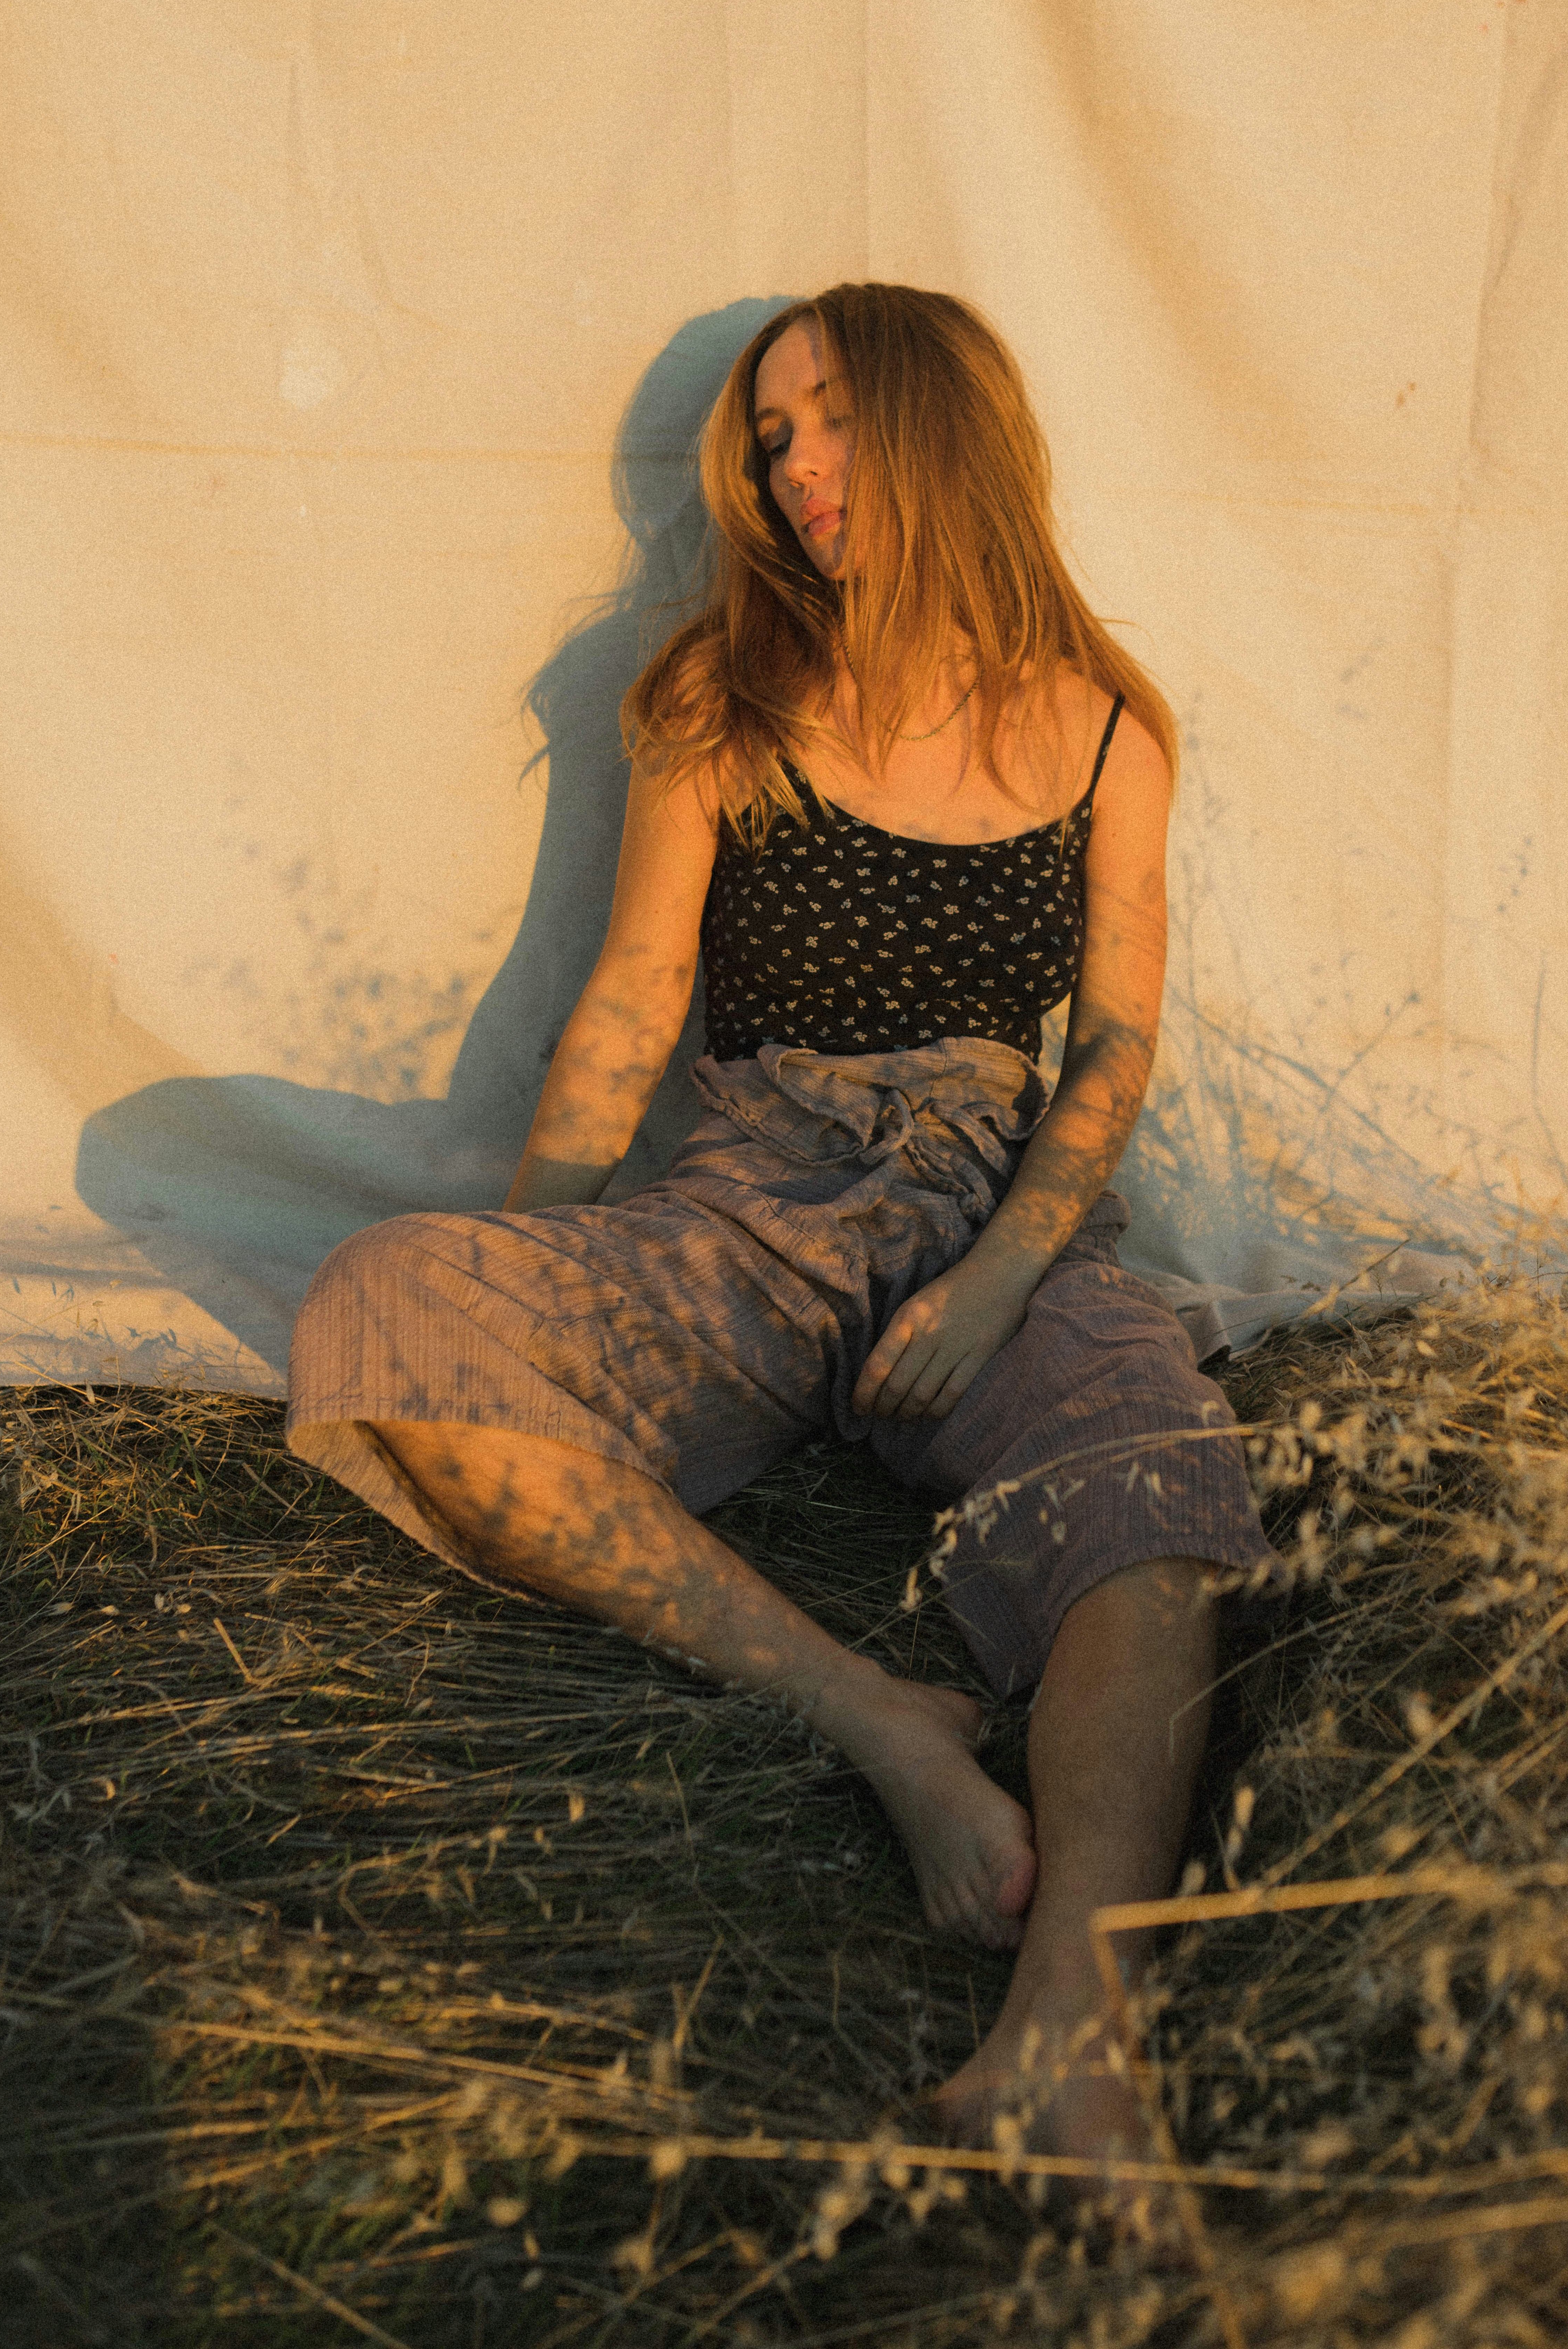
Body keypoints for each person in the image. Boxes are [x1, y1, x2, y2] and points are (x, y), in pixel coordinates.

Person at [285, 283, 1274, 2186]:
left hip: (990, 1211)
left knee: (1158, 1483)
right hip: (744, 1193)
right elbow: (631, 1002)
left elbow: (1117, 1042)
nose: (792, 468)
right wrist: (535, 1292)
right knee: (386, 1307)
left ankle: (1068, 2038)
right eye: (769, 438)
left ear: (938, 426)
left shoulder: (1099, 726)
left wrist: (998, 1282)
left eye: (824, 422)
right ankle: (880, 1716)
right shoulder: (719, 697)